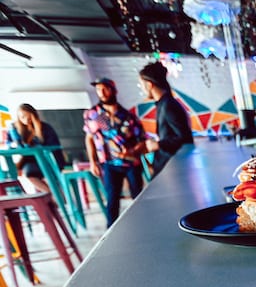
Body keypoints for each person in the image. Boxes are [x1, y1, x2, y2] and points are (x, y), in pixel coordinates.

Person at [83, 78, 147, 227]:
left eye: (105, 89)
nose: (102, 93)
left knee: (138, 197)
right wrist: (93, 162)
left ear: (114, 90)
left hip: (131, 162)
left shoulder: (128, 116)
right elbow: (89, 138)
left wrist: (131, 151)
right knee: (112, 200)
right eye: (98, 89)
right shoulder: (92, 114)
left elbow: (141, 140)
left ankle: (143, 226)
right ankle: (110, 231)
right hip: (108, 163)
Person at [138, 62, 194, 176]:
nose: (142, 89)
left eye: (141, 84)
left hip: (172, 169)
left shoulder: (168, 105)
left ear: (149, 85)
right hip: (169, 166)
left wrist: (159, 144)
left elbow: (185, 138)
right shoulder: (164, 104)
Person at [8, 103, 67, 193]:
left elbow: (53, 146)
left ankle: (55, 196)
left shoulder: (45, 128)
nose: (26, 120)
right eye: (22, 117)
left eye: (29, 117)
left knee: (48, 175)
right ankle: (51, 194)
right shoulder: (15, 130)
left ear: (34, 115)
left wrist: (35, 146)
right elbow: (10, 144)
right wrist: (14, 145)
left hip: (49, 160)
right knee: (27, 172)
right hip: (31, 162)